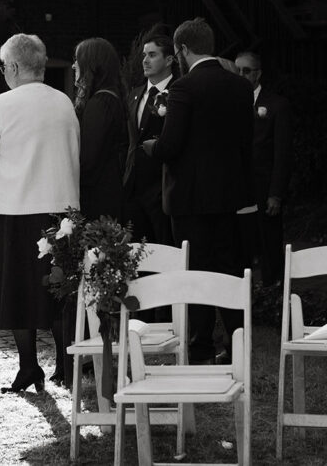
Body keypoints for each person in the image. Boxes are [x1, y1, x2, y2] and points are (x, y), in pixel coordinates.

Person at [0, 34, 79, 393]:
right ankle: (65, 366)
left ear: (14, 66)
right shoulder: (64, 102)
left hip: (13, 210)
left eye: (4, 67)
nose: (3, 73)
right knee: (59, 291)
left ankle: (29, 366)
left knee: (18, 291)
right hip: (60, 211)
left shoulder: (0, 105)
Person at [142, 18, 253, 363]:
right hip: (228, 196)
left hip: (189, 199)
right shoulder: (240, 87)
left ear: (183, 50)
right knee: (228, 269)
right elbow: (245, 142)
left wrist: (151, 146)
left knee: (194, 272)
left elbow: (171, 145)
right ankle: (237, 343)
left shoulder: (185, 88)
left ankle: (201, 344)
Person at [235, 51, 292, 285]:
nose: (240, 75)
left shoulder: (277, 105)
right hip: (236, 186)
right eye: (236, 70)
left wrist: (275, 194)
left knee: (268, 242)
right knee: (238, 243)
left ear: (258, 74)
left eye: (246, 71)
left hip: (263, 185)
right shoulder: (229, 102)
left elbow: (283, 153)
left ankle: (273, 292)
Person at [123, 32, 175, 247]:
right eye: (144, 55)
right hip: (134, 186)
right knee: (137, 253)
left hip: (163, 186)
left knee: (165, 249)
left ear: (169, 59)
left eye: (152, 55)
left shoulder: (179, 92)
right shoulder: (134, 94)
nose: (145, 60)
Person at [73, 37, 127, 221]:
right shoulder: (112, 97)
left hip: (97, 196)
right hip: (108, 189)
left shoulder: (100, 103)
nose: (73, 66)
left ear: (91, 64)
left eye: (77, 60)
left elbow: (88, 158)